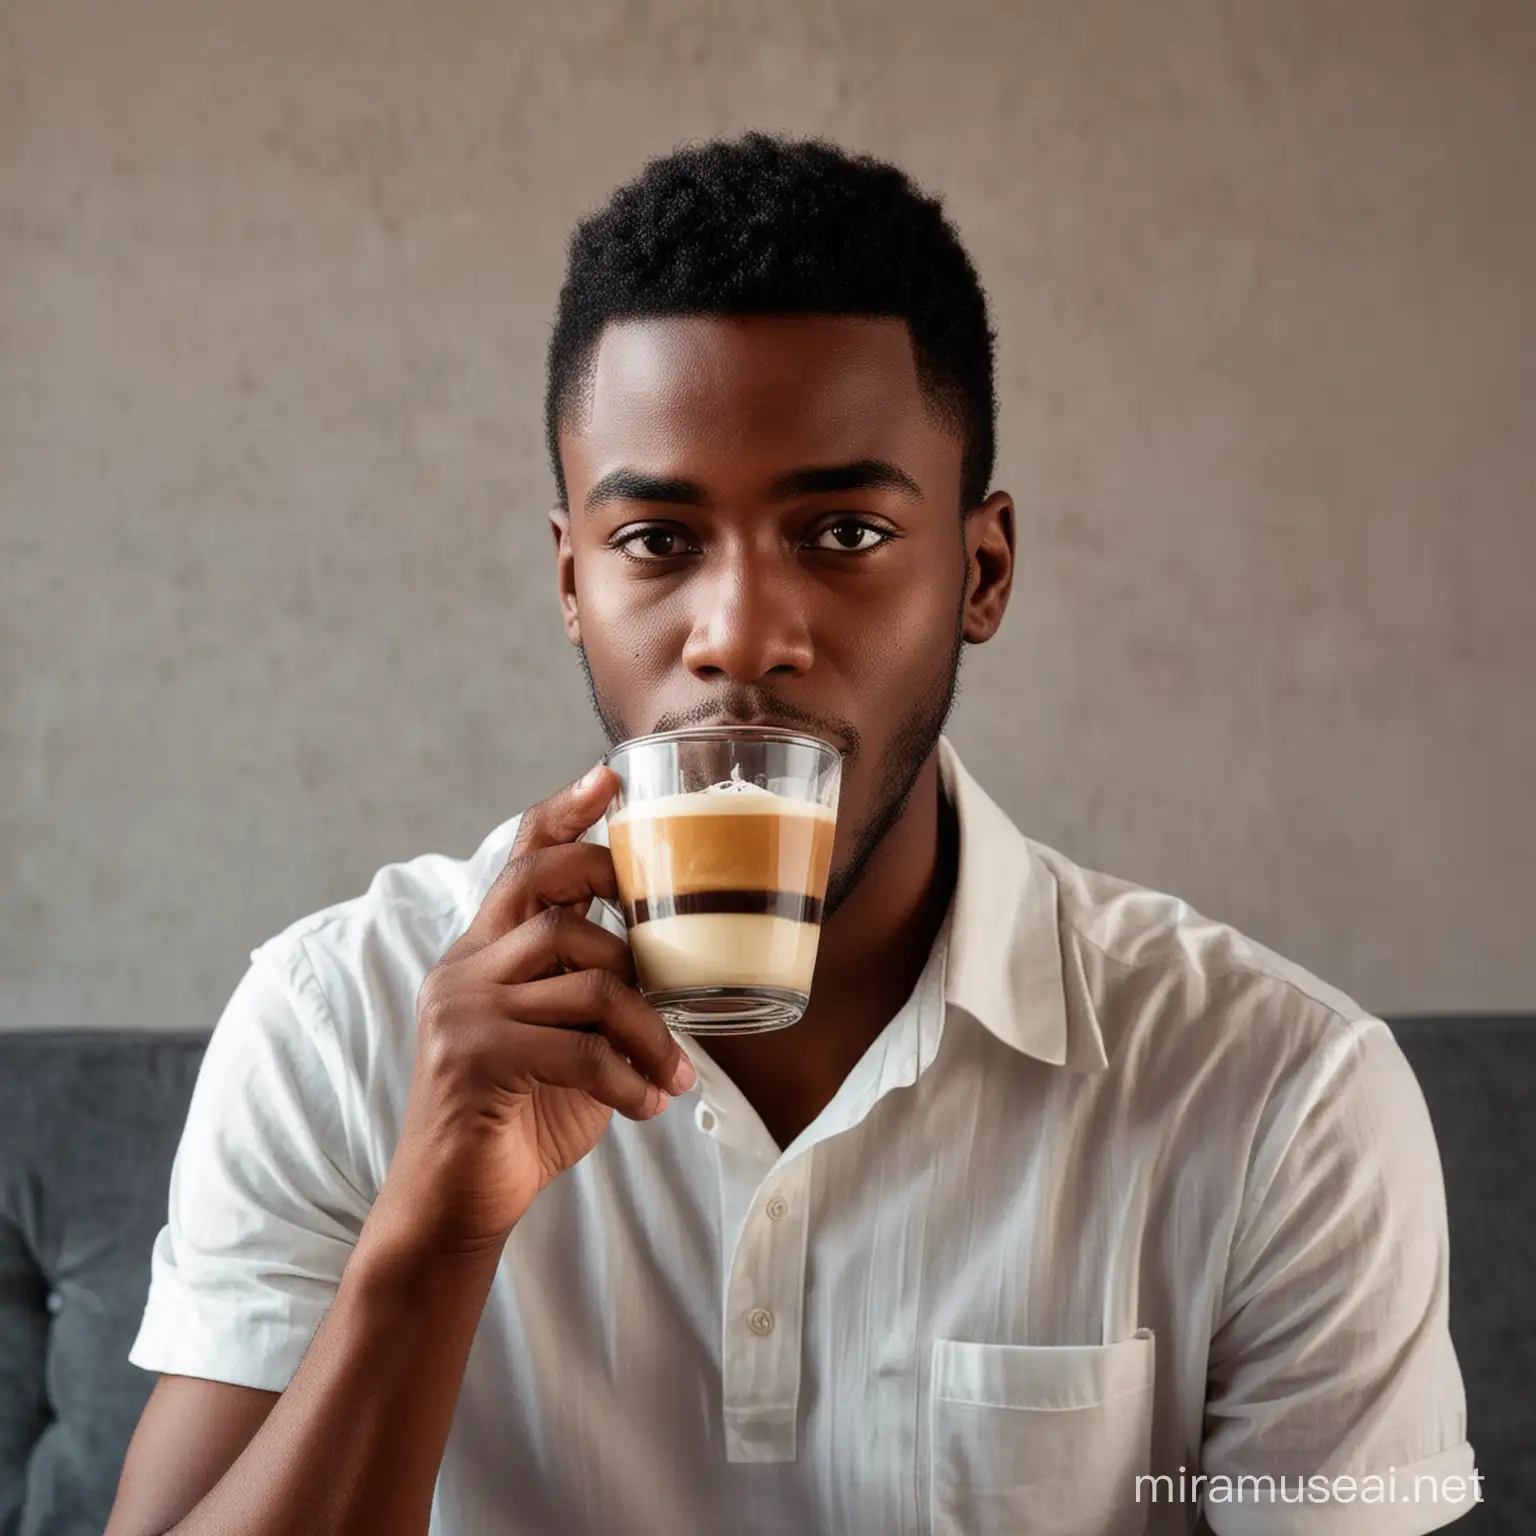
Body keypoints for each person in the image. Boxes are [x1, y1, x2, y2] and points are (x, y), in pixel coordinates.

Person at [107, 131, 1475, 1536]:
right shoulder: (338, 1024)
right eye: (656, 543)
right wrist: (432, 1240)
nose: (743, 636)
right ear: (570, 580)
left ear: (982, 571)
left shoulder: (1280, 1097)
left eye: (844, 535)